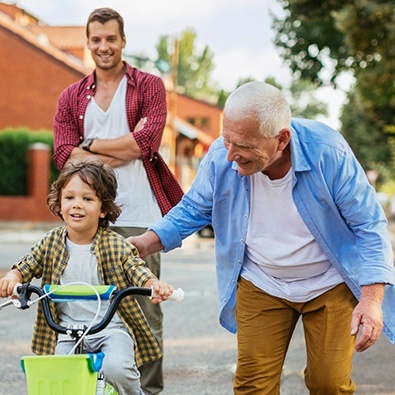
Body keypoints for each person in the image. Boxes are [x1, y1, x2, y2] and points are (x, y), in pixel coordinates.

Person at [128, 81, 395, 394]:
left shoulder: (328, 153)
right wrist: (145, 242)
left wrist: (371, 299)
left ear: (281, 139)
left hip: (329, 281)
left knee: (329, 384)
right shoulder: (221, 157)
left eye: (241, 145)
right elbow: (192, 210)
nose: (229, 155)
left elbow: (369, 224)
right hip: (262, 281)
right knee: (253, 386)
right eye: (226, 140)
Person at [52, 8, 183, 394]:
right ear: (88, 42)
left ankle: (147, 391)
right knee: (80, 304)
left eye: (111, 38)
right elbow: (63, 155)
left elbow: (147, 143)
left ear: (123, 41)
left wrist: (87, 148)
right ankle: (87, 387)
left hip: (139, 214)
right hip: (85, 215)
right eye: (96, 39)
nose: (103, 46)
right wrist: (121, 149)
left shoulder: (148, 87)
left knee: (142, 309)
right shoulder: (71, 96)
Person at [0, 157, 175, 395]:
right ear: (59, 203)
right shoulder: (51, 242)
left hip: (110, 329)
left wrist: (152, 284)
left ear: (103, 209)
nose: (77, 205)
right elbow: (27, 264)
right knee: (61, 378)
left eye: (88, 199)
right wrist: (13, 276)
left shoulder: (116, 244)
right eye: (69, 197)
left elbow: (136, 268)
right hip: (67, 330)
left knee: (117, 368)